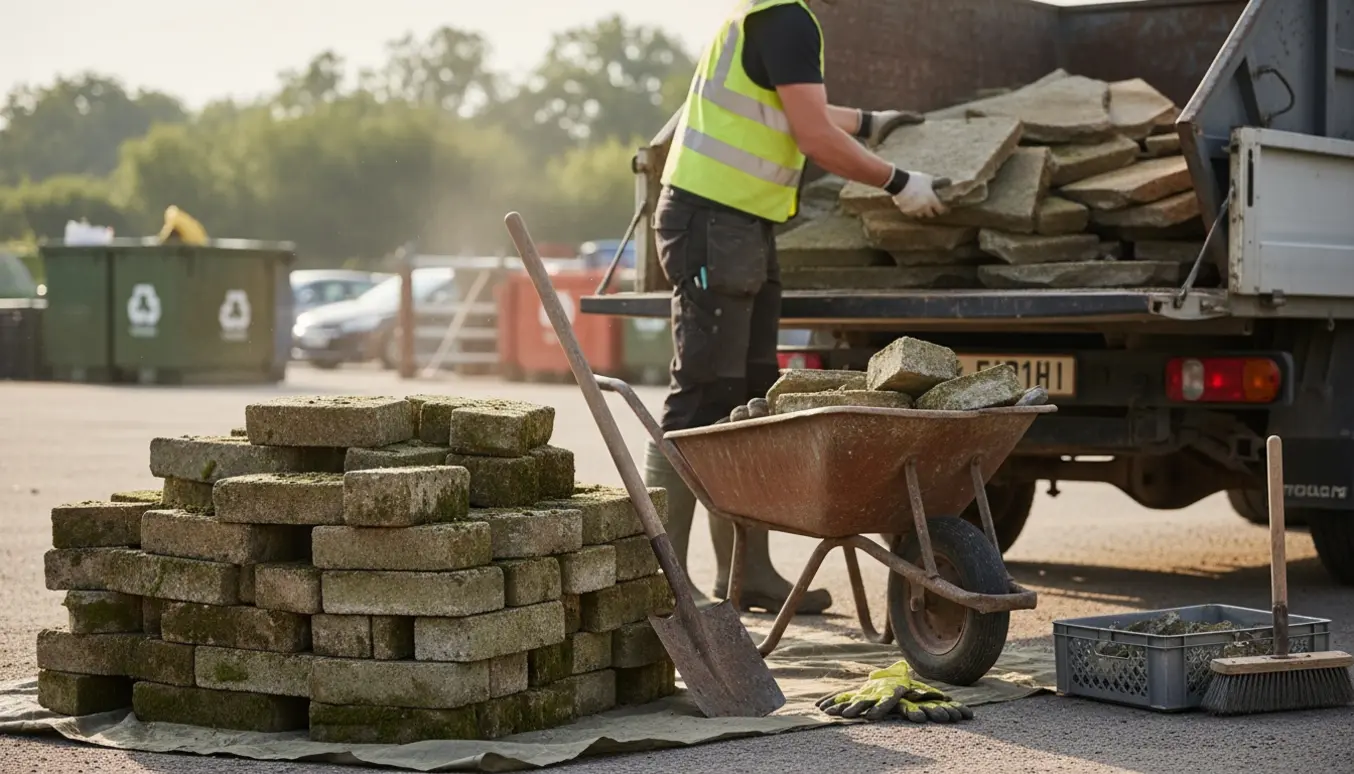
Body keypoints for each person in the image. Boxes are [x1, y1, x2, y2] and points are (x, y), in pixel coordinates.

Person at [642, 0, 948, 614]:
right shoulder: (784, 17)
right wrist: (898, 182)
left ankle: (749, 575)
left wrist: (867, 120)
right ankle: (657, 581)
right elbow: (811, 136)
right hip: (712, 222)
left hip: (741, 224)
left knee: (750, 398)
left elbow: (792, 107)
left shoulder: (765, 15)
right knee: (702, 394)